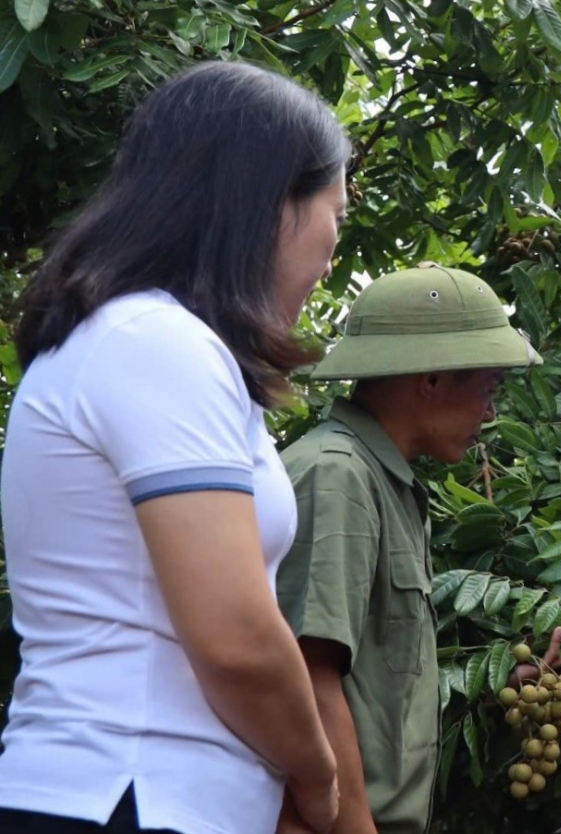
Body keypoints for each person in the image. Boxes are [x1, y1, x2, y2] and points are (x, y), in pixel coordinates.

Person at [0, 61, 351, 834]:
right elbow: (235, 639)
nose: (332, 256)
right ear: (269, 205)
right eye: (335, 215)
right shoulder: (154, 342)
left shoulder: (143, 341)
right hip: (125, 792)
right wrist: (319, 776)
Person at [275, 264, 542, 834]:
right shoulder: (338, 477)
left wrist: (501, 683)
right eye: (489, 388)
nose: (490, 413)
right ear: (433, 380)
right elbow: (308, 682)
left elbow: (373, 684)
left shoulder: (383, 482)